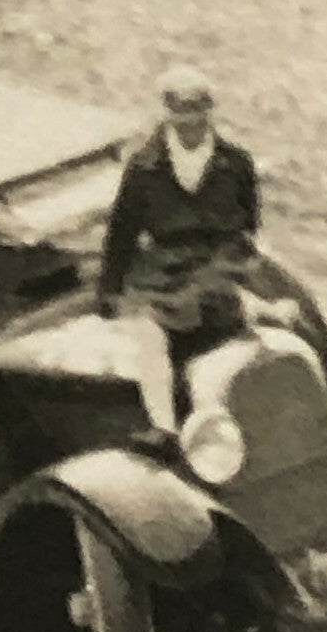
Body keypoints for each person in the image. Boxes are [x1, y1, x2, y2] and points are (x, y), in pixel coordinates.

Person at [96, 66, 265, 420]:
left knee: (242, 333)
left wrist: (234, 268)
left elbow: (249, 224)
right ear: (168, 114)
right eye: (181, 116)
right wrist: (109, 293)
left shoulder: (236, 164)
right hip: (163, 274)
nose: (190, 125)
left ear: (209, 113)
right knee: (151, 340)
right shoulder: (143, 167)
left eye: (198, 115)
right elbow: (122, 233)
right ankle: (165, 427)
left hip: (218, 264)